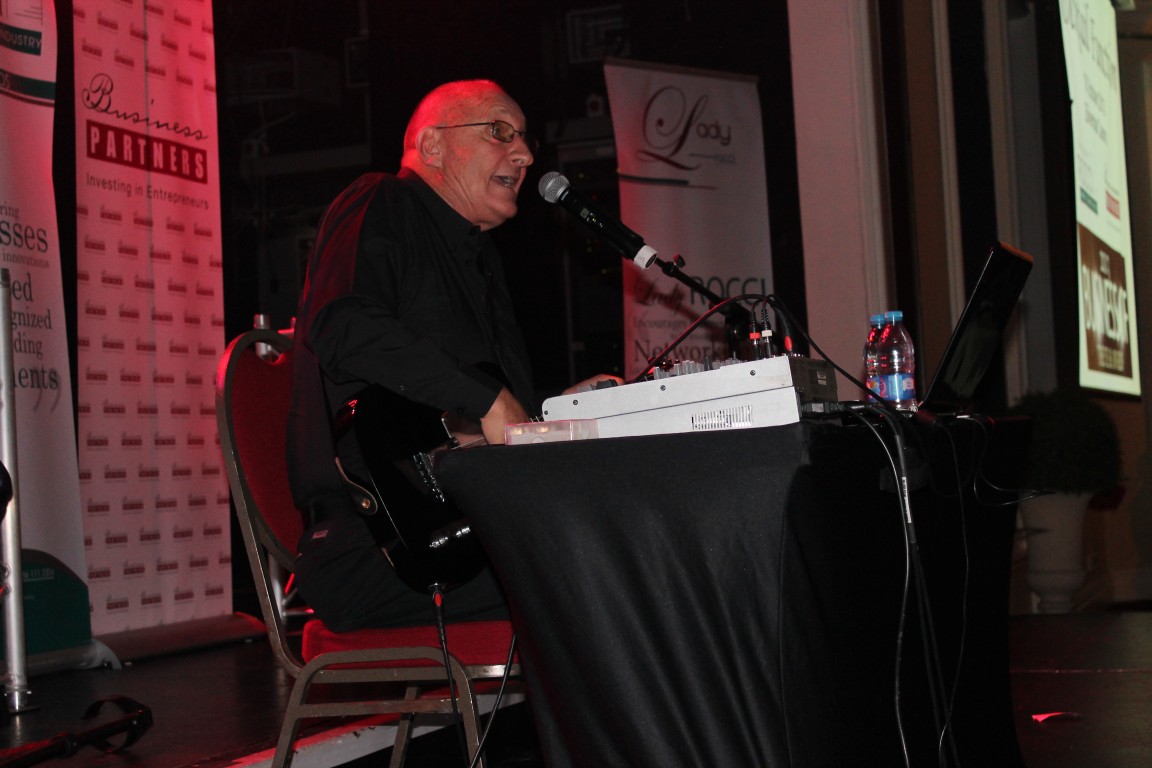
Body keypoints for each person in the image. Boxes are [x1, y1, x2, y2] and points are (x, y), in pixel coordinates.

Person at [286, 79, 607, 632]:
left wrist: (553, 410)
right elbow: (343, 324)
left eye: (525, 139)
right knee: (605, 557)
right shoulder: (382, 200)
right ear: (433, 146)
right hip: (377, 549)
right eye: (499, 131)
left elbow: (474, 421)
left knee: (620, 535)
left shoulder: (481, 262)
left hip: (465, 529)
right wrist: (490, 400)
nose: (525, 155)